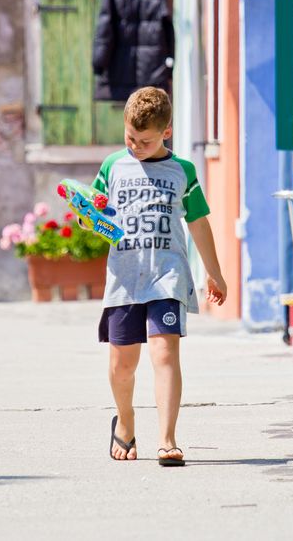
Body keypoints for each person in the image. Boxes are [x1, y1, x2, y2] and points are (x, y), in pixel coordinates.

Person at [91, 86, 227, 467]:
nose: (135, 146)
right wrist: (93, 218)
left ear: (166, 132)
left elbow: (199, 224)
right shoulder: (112, 167)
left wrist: (214, 273)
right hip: (124, 279)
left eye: (145, 141)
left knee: (164, 353)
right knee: (122, 365)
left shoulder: (182, 171)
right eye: (130, 138)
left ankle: (167, 439)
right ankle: (126, 419)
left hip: (167, 276)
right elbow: (97, 221)